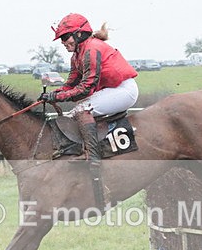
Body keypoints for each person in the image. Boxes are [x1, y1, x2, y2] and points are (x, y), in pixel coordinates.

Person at [38, 13, 138, 206]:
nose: (63, 43)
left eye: (65, 37)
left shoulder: (92, 49)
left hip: (124, 90)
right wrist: (51, 94)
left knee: (82, 109)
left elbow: (86, 88)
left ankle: (93, 158)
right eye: (61, 39)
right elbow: (69, 85)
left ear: (78, 34)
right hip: (112, 89)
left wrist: (57, 96)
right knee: (71, 114)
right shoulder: (77, 55)